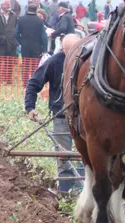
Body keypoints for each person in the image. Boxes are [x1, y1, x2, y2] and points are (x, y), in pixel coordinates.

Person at [25, 33, 83, 193]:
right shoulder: (55, 62)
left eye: (76, 50)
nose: (72, 55)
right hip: (61, 116)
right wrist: (30, 107)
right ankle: (66, 193)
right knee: (63, 157)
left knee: (86, 155)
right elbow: (33, 83)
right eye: (68, 51)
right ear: (63, 49)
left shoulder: (88, 60)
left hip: (84, 118)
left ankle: (84, 191)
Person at [15, 3, 48, 86]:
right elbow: (43, 37)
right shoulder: (40, 21)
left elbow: (16, 34)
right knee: (34, 66)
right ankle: (33, 82)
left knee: (25, 65)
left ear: (27, 9)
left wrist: (21, 42)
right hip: (37, 47)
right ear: (36, 10)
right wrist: (44, 49)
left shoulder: (21, 19)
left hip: (25, 46)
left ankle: (25, 83)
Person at [0, 0, 18, 84]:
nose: (9, 6)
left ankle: (8, 80)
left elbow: (16, 27)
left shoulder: (14, 15)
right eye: (7, 4)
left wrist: (14, 40)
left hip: (11, 42)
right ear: (2, 5)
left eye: (9, 4)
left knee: (10, 62)